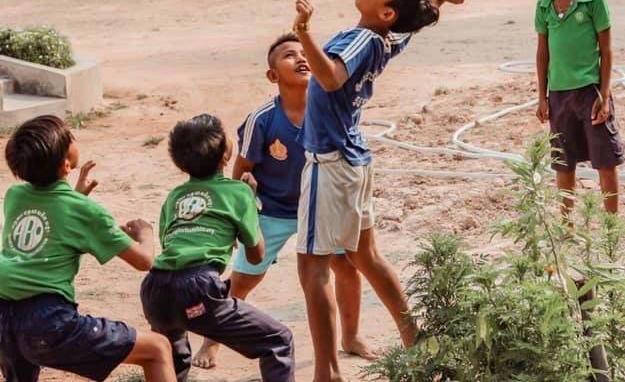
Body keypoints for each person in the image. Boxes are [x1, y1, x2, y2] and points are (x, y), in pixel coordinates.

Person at [293, 0, 468, 382]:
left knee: (312, 269)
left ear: (386, 11)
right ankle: (415, 341)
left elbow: (331, 77)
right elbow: (409, 28)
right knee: (364, 256)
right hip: (354, 160)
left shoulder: (362, 39)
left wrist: (303, 32)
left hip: (330, 164)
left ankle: (327, 372)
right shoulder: (387, 37)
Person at [193, 33, 373, 370]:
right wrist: (241, 211)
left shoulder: (333, 110)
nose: (302, 59)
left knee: (346, 267)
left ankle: (351, 335)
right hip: (274, 210)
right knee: (244, 280)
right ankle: (211, 340)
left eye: (306, 53)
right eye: (290, 55)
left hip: (322, 207)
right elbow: (241, 170)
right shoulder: (262, 119)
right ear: (273, 75)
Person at [0, 114, 175, 382]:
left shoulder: (15, 197)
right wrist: (146, 234)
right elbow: (143, 261)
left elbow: (53, 217)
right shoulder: (85, 212)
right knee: (157, 349)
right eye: (70, 137)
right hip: (47, 321)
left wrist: (75, 196)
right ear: (66, 165)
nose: (73, 138)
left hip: (5, 315)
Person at [140, 113, 294, 382]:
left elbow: (171, 243)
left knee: (173, 360)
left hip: (155, 290)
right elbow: (256, 255)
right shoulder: (239, 192)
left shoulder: (174, 196)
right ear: (226, 154)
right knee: (278, 340)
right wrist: (250, 204)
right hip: (198, 288)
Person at [535, 0, 624, 214]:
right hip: (559, 94)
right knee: (563, 161)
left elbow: (607, 50)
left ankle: (611, 224)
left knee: (605, 159)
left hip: (591, 92)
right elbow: (543, 52)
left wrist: (605, 92)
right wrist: (542, 96)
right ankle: (566, 225)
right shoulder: (544, 3)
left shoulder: (594, 0)